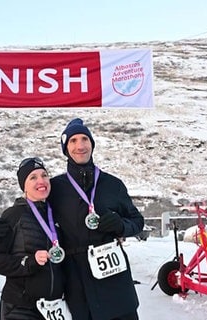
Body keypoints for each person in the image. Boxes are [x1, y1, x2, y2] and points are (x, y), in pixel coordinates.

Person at [48, 118, 144, 320]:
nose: (80, 145)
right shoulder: (55, 188)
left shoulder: (113, 184)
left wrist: (121, 226)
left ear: (92, 144)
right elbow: (33, 210)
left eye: (84, 139)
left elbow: (137, 221)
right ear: (65, 148)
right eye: (73, 141)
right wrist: (6, 224)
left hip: (114, 279)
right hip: (76, 279)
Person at [0, 157, 69, 320]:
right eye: (33, 177)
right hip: (20, 308)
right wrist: (29, 262)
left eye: (44, 175)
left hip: (54, 307)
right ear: (24, 185)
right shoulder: (14, 215)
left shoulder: (57, 214)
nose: (41, 181)